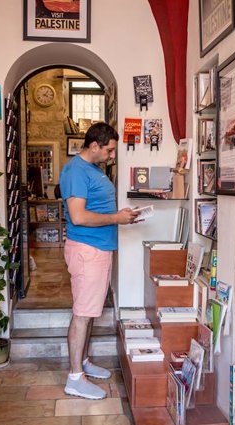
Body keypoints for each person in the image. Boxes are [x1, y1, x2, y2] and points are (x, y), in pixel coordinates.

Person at [60, 122, 139, 400]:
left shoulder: (92, 170)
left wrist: (120, 214)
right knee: (82, 314)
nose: (112, 155)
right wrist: (116, 218)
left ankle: (82, 362)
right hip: (87, 251)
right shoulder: (75, 171)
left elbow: (95, 208)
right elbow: (78, 216)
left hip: (98, 250)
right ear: (94, 146)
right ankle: (74, 378)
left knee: (90, 310)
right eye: (109, 150)